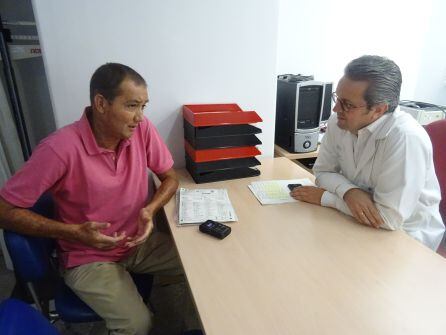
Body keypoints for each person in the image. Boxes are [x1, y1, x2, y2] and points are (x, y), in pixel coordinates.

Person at [0, 63, 182, 334]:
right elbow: (4, 210)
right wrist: (73, 232)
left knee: (201, 266)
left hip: (136, 243)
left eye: (144, 106)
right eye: (132, 106)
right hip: (88, 255)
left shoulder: (141, 131)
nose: (140, 117)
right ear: (101, 103)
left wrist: (150, 209)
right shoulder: (59, 149)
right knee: (137, 324)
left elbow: (170, 177)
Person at [290, 55, 445, 250]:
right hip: (357, 221)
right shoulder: (339, 121)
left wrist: (326, 198)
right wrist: (349, 192)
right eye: (337, 98)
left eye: (348, 104)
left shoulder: (405, 138)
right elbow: (322, 172)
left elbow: (387, 218)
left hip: (406, 237)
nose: (336, 108)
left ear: (379, 110)